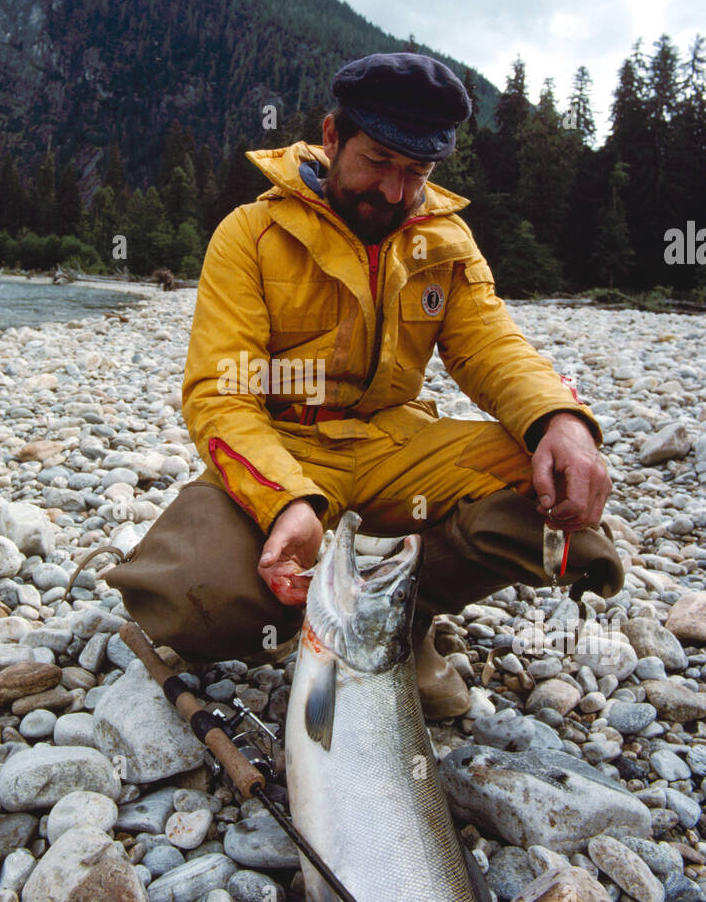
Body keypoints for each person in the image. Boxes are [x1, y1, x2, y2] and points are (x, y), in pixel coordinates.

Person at [104, 53, 623, 717]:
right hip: (282, 446)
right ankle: (301, 597)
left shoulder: (446, 241)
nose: (392, 190)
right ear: (331, 136)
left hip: (394, 445)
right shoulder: (250, 233)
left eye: (415, 172)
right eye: (376, 160)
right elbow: (219, 394)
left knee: (565, 515)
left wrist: (562, 422)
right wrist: (286, 502)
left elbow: (493, 348)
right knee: (197, 600)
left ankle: (400, 623)